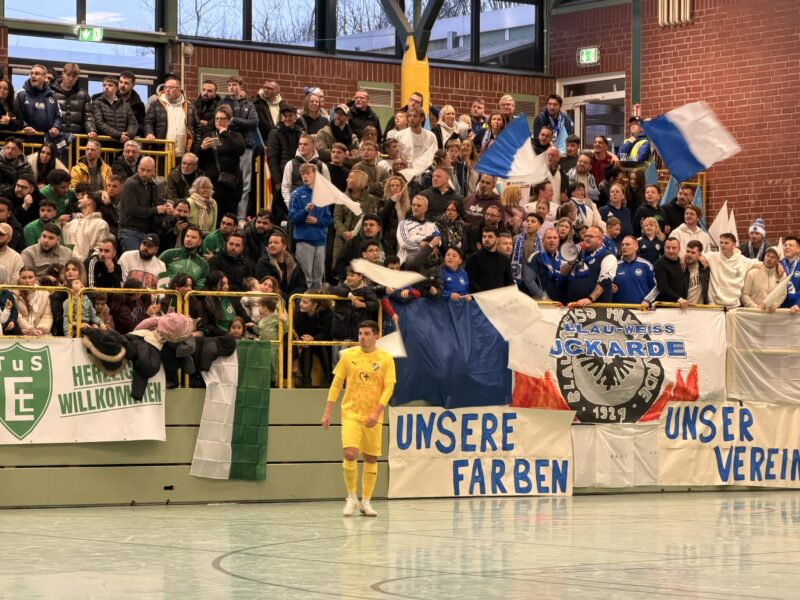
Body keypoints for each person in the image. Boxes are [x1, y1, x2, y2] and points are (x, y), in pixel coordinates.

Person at [321, 320, 394, 517]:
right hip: (351, 413)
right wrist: (327, 411)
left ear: (375, 336)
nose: (362, 337)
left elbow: (389, 387)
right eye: (360, 333)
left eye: (366, 333)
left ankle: (366, 502)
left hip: (373, 416)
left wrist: (377, 412)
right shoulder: (349, 356)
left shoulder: (386, 359)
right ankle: (351, 497)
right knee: (351, 454)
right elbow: (336, 384)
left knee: (370, 457)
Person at [219, 76, 259, 221]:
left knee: (245, 185)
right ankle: (225, 218)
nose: (231, 87)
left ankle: (240, 218)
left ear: (241, 86)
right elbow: (222, 123)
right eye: (229, 85)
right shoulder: (222, 103)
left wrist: (234, 120)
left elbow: (253, 123)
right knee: (225, 182)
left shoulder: (249, 105)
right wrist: (241, 123)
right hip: (227, 149)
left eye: (234, 84)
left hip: (246, 149)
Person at [198, 105, 245, 222]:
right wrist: (202, 148)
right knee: (214, 220)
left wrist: (225, 134)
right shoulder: (208, 136)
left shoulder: (235, 135)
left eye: (222, 119)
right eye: (217, 118)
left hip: (231, 186)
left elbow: (239, 150)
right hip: (213, 187)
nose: (219, 121)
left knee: (229, 220)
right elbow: (199, 162)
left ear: (229, 121)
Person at [117, 156, 171, 251]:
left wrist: (166, 207)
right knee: (134, 263)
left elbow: (157, 201)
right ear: (138, 167)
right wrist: (156, 210)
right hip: (129, 231)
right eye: (142, 170)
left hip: (146, 231)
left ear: (154, 171)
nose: (145, 174)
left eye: (149, 171)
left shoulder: (152, 184)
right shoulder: (130, 184)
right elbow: (131, 210)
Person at [144, 74, 199, 158]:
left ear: (179, 89)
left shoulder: (189, 106)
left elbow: (197, 127)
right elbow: (148, 122)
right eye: (166, 87)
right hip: (162, 152)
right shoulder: (156, 104)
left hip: (184, 154)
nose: (167, 90)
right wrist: (149, 133)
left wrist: (196, 147)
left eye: (171, 87)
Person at [704, 232, 763, 308]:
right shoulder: (713, 256)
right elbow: (695, 255)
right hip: (715, 305)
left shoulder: (742, 260)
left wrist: (778, 265)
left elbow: (763, 264)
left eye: (726, 243)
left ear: (734, 245)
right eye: (721, 242)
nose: (723, 245)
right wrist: (699, 256)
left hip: (735, 305)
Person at [565, 225, 617, 306]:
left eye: (591, 236)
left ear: (600, 239)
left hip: (595, 308)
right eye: (585, 236)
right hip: (574, 306)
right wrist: (569, 262)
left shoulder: (608, 256)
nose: (587, 238)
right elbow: (563, 274)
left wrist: (590, 298)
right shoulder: (579, 254)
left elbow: (605, 281)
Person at [266, 105, 302, 220]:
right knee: (279, 210)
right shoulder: (274, 133)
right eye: (284, 116)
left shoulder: (300, 132)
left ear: (295, 117)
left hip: (297, 177)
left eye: (290, 116)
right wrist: (277, 180)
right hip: (281, 177)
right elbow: (272, 158)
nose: (287, 118)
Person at [14, 64, 62, 145]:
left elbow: (58, 115)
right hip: (26, 142)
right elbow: (16, 115)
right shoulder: (21, 94)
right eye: (31, 73)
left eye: (37, 74)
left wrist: (56, 127)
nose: (33, 76)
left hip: (47, 143)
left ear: (44, 77)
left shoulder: (52, 95)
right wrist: (25, 126)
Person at [254, 231, 308, 301]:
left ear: (284, 247)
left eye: (276, 243)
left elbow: (302, 286)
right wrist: (288, 299)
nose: (272, 245)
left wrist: (292, 298)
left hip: (293, 298)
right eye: (270, 243)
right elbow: (266, 286)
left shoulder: (294, 264)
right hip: (272, 298)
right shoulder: (263, 263)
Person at [61, 185, 110, 260]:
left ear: (90, 202)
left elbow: (99, 250)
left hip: (86, 265)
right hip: (69, 265)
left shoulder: (101, 224)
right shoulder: (74, 222)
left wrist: (86, 264)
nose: (79, 200)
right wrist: (59, 222)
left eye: (83, 197)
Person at [612, 236, 657, 310]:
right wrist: (609, 288)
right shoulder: (614, 265)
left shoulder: (646, 265)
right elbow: (606, 285)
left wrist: (647, 300)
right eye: (622, 245)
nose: (624, 247)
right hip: (619, 312)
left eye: (627, 244)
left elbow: (655, 287)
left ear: (636, 247)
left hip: (640, 310)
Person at [465, 226, 514, 293]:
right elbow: (470, 281)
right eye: (484, 236)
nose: (486, 239)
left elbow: (509, 282)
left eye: (490, 237)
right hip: (480, 298)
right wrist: (484, 295)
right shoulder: (473, 258)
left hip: (500, 298)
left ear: (497, 240)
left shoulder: (504, 259)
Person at [159, 225, 209, 289]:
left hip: (189, 297)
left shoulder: (203, 264)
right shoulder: (168, 254)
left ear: (199, 242)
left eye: (193, 237)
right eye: (187, 236)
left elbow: (200, 287)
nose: (189, 239)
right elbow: (157, 273)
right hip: (168, 295)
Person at [91, 76, 138, 142]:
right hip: (104, 144)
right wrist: (119, 135)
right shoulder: (97, 103)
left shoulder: (125, 105)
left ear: (116, 88)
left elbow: (133, 123)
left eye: (110, 85)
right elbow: (99, 123)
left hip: (122, 143)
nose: (106, 87)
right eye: (104, 85)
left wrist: (127, 136)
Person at [396, 195, 440, 266]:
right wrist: (428, 246)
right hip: (406, 265)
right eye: (413, 205)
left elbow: (438, 242)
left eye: (419, 205)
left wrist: (414, 239)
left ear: (426, 208)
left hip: (427, 266)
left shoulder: (433, 226)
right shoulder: (403, 223)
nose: (415, 207)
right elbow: (404, 243)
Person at [14, 266, 52, 336]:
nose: (27, 281)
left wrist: (41, 329)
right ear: (19, 279)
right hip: (22, 331)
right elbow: (17, 316)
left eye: (30, 277)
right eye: (24, 278)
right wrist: (30, 329)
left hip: (41, 332)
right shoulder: (13, 294)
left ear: (35, 279)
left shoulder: (45, 294)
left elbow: (47, 315)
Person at [253, 80, 287, 144]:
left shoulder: (283, 105)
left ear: (277, 92)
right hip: (262, 142)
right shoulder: (255, 103)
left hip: (278, 141)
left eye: (270, 89)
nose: (266, 90)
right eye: (265, 87)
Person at [118, 71, 146, 136]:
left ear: (133, 85)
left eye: (126, 83)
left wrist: (129, 132)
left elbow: (142, 125)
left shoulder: (139, 105)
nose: (122, 85)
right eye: (121, 82)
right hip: (112, 138)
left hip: (130, 139)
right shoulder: (110, 99)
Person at [780, 237, 800, 313]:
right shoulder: (778, 264)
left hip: (797, 307)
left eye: (790, 245)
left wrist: (798, 304)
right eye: (785, 245)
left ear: (798, 249)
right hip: (779, 307)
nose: (787, 247)